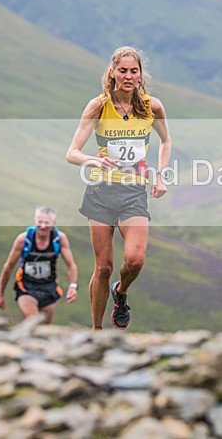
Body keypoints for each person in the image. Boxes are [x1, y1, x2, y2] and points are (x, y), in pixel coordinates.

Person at [66, 46, 171, 330]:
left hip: (134, 193)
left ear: (140, 75)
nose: (128, 76)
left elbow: (165, 141)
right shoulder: (98, 106)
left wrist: (161, 175)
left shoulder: (152, 106)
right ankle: (96, 331)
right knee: (103, 268)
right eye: (122, 70)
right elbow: (72, 152)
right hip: (101, 192)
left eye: (133, 71)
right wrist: (91, 160)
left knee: (135, 260)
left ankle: (121, 291)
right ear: (112, 73)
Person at [0, 206, 78, 324]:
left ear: (53, 224)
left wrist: (72, 287)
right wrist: (0, 294)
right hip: (26, 287)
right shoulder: (23, 240)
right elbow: (8, 266)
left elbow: (71, 265)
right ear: (35, 221)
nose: (43, 226)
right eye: (40, 222)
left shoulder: (59, 239)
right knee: (34, 321)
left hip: (49, 287)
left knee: (45, 329)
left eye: (46, 223)